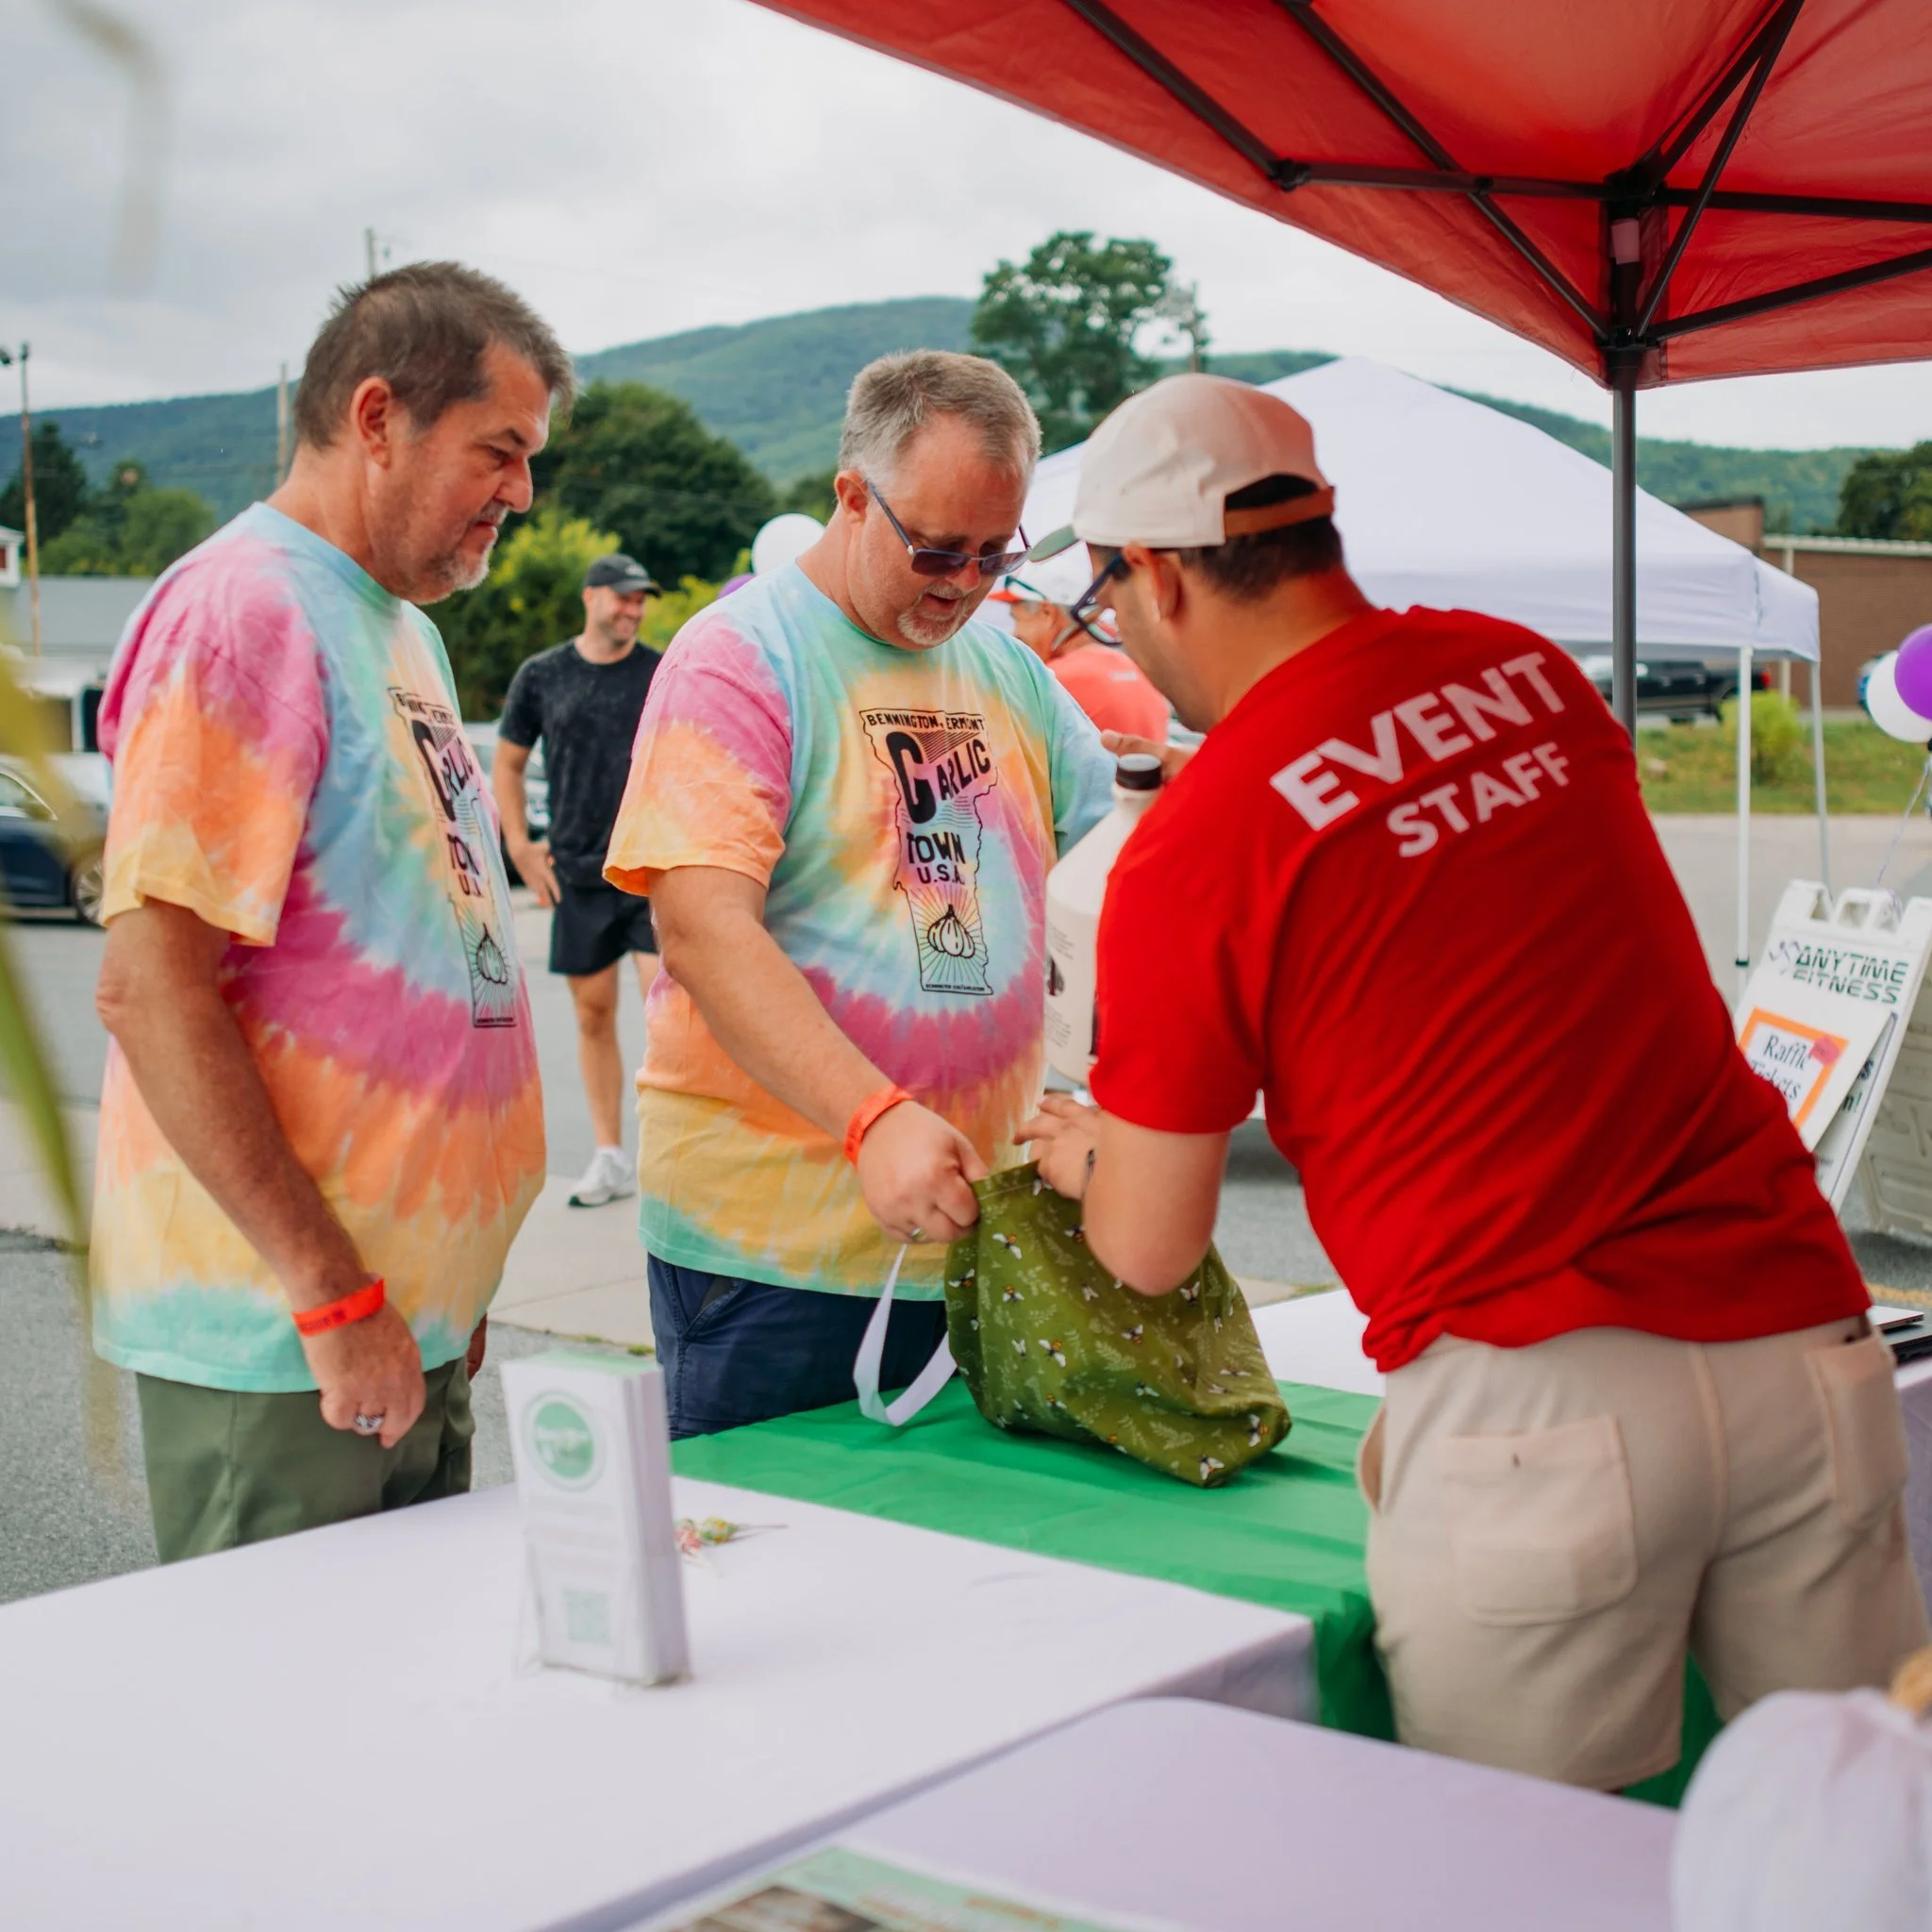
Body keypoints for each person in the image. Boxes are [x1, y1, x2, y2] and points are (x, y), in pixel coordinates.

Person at [1023, 372, 1928, 1790]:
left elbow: (1149, 1245)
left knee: (1522, 1886)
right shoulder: (1524, 672)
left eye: (1110, 604)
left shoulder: (1198, 839)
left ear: (1152, 575)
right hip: (1800, 1342)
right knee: (1861, 1856)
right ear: (1315, 526)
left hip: (1533, 1409)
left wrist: (1086, 1152)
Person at [91, 262, 567, 1559]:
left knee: (389, 1732)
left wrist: (434, 1287)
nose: (522, 493)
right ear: (377, 419)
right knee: (285, 1736)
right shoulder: (243, 612)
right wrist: (330, 1291)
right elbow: (151, 989)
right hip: (288, 1345)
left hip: (393, 1327)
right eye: (500, 450)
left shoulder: (399, 629)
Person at [604, 350, 1113, 1437]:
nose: (963, 580)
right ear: (849, 496)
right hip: (773, 1257)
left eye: (993, 553)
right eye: (934, 547)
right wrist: (870, 1115)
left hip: (969, 1232)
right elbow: (698, 927)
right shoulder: (737, 659)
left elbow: (1112, 849)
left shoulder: (1001, 663)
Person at [495, 553, 664, 1208]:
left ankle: (668, 1160)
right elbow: (507, 765)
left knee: (667, 1013)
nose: (632, 609)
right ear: (591, 597)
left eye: (640, 599)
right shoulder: (542, 676)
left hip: (650, 868)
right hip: (577, 872)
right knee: (593, 1017)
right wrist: (520, 845)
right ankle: (610, 1156)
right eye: (622, 597)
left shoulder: (658, 671)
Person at [990, 545, 1169, 742]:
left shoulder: (1050, 681)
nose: (1015, 634)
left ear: (1048, 613)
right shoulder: (1137, 668)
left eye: (1018, 619)